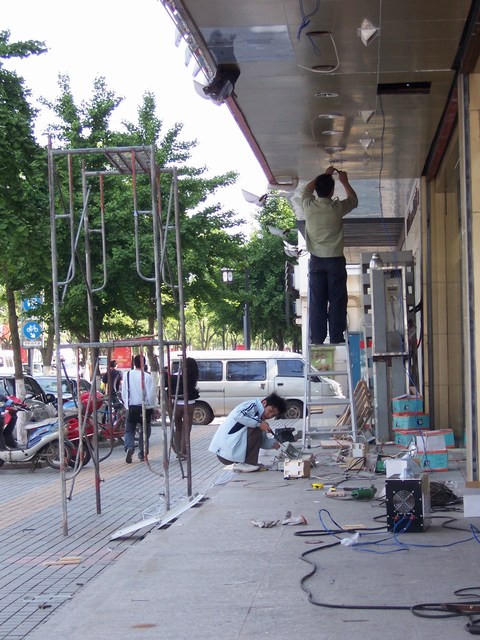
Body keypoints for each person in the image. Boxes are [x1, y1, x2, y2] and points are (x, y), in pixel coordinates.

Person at [302, 167, 358, 345]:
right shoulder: (337, 208)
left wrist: (325, 175)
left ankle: (317, 338)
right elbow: (353, 200)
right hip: (335, 261)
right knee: (337, 300)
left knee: (317, 301)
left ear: (317, 189)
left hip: (316, 261)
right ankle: (336, 337)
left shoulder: (308, 206)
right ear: (332, 191)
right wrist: (344, 181)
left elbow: (307, 189)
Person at [208, 392, 287, 472]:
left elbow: (261, 441)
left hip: (230, 452)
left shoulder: (259, 420)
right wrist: (259, 423)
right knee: (257, 426)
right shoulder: (252, 405)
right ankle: (244, 463)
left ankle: (248, 463)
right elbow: (238, 415)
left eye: (273, 415)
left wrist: (274, 444)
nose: (270, 415)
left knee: (258, 426)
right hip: (225, 450)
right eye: (270, 411)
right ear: (264, 403)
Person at [122, 354, 156, 463]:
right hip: (144, 408)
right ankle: (143, 453)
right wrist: (152, 408)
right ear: (144, 364)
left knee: (129, 430)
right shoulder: (147, 376)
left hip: (131, 407)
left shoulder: (127, 375)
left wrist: (126, 405)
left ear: (134, 363)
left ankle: (129, 447)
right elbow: (151, 395)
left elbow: (124, 392)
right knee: (145, 431)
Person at [170, 357, 200, 460]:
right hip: (189, 404)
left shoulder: (175, 376)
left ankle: (178, 451)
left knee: (178, 428)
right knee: (186, 429)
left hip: (177, 404)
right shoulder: (193, 376)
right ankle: (184, 452)